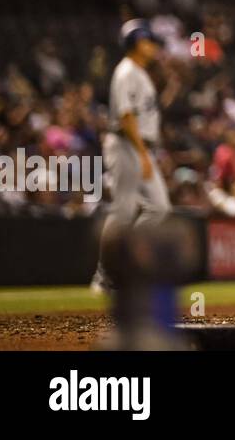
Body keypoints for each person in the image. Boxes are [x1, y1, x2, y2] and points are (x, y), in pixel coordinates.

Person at [91, 20, 171, 293]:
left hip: (141, 145)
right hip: (126, 143)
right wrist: (142, 153)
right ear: (137, 42)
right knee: (124, 208)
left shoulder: (141, 73)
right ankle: (105, 276)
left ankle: (124, 263)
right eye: (149, 41)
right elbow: (126, 117)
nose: (153, 47)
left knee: (160, 207)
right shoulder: (126, 72)